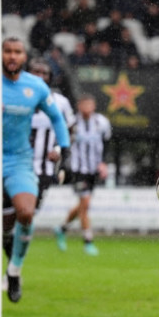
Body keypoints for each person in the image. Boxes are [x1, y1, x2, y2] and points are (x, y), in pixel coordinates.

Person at [0, 37, 71, 309]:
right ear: (0, 54)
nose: (12, 56)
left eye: (17, 52)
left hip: (19, 160)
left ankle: (14, 270)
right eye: (7, 51)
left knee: (26, 212)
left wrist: (65, 149)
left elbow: (57, 118)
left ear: (24, 57)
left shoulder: (36, 86)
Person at [2, 58, 77, 261]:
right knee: (7, 221)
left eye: (45, 73)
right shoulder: (13, 95)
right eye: (36, 72)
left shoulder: (60, 102)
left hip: (43, 169)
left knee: (26, 216)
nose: (40, 77)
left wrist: (58, 150)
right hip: (13, 165)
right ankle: (9, 251)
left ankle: (12, 270)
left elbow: (70, 130)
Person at [54, 93, 111, 256]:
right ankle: (88, 240)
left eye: (89, 104)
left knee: (82, 205)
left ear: (94, 106)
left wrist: (103, 163)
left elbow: (106, 143)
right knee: (85, 204)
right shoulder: (73, 123)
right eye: (83, 104)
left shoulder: (102, 122)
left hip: (93, 169)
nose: (87, 108)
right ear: (79, 106)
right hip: (78, 169)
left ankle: (62, 228)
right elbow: (63, 142)